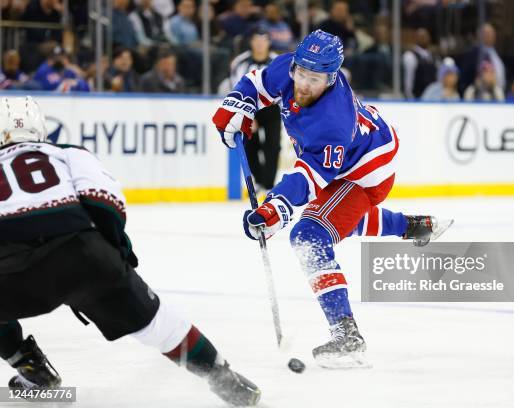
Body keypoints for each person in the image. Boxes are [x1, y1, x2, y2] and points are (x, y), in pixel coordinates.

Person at [0, 96, 260, 406]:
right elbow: (104, 202)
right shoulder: (67, 153)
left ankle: (33, 369)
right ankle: (223, 379)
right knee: (159, 324)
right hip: (82, 254)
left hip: (9, 267)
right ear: (41, 130)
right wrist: (119, 256)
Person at [212, 30, 446, 367]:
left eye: (315, 78)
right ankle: (414, 227)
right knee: (339, 220)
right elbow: (257, 84)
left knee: (310, 234)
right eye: (301, 74)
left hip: (366, 173)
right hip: (346, 158)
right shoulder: (291, 69)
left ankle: (346, 333)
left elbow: (307, 179)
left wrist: (274, 210)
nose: (304, 84)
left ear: (331, 77)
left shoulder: (333, 122)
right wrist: (235, 105)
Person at [229, 27, 281, 192]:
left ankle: (268, 184)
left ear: (268, 42)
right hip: (250, 108)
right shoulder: (240, 62)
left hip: (272, 108)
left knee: (272, 145)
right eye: (256, 40)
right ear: (251, 42)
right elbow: (237, 89)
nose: (259, 44)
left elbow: (284, 87)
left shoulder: (277, 61)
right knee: (250, 144)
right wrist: (248, 114)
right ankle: (258, 180)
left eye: (263, 40)